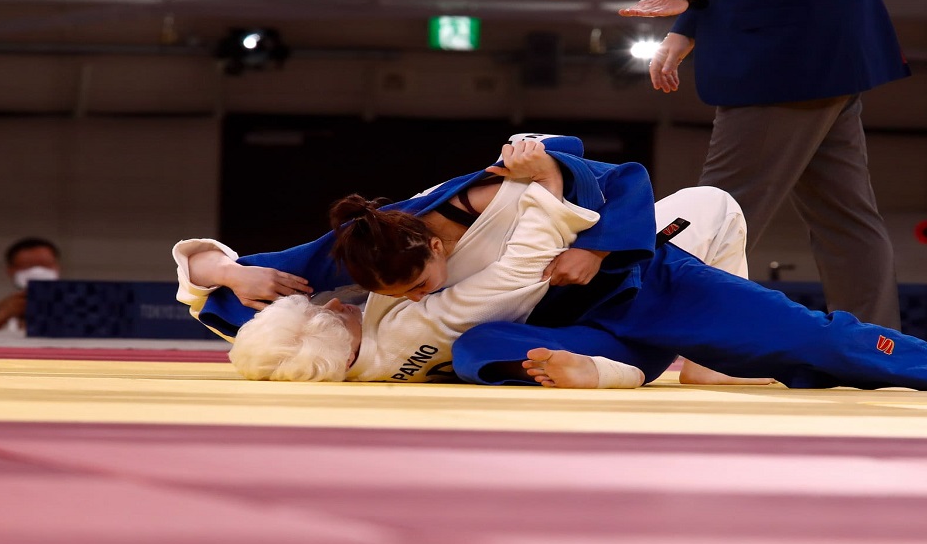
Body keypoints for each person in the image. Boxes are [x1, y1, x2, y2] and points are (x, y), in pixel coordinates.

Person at [176, 136, 760, 385]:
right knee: (712, 204)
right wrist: (584, 230)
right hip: (574, 295)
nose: (415, 297)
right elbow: (522, 260)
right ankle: (714, 354)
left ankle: (702, 351)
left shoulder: (323, 294)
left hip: (559, 308)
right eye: (404, 290)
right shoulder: (382, 307)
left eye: (416, 284)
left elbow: (200, 273)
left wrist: (230, 271)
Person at [618, 0, 909, 329]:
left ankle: (700, 344)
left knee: (717, 212)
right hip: (820, 53)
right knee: (846, 216)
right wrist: (687, 26)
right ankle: (877, 345)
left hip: (784, 60)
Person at [0, 237, 60, 331]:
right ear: (10, 271)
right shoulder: (0, 311)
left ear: (57, 267)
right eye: (27, 266)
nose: (37, 272)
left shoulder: (76, 310)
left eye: (45, 265)